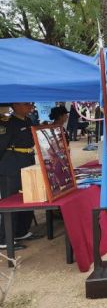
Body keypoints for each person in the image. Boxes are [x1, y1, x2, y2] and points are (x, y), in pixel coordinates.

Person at [0, 102, 43, 250]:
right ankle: (5, 238)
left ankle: (21, 231)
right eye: (26, 104)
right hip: (11, 166)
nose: (30, 107)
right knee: (10, 202)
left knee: (28, 197)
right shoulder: (7, 123)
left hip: (26, 162)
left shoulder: (28, 120)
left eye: (31, 104)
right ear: (16, 105)